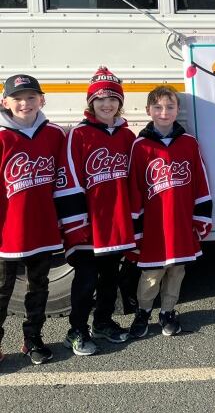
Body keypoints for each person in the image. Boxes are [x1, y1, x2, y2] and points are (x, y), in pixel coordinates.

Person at [55, 67, 137, 356]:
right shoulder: (78, 134)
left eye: (113, 99)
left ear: (120, 103)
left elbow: (135, 182)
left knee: (110, 277)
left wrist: (135, 221)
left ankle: (102, 321)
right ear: (91, 102)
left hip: (116, 223)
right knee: (86, 279)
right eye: (100, 99)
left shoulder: (128, 137)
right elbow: (68, 178)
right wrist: (75, 223)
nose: (107, 104)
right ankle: (76, 329)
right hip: (89, 224)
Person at [127, 86, 212, 338]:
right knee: (152, 273)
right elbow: (133, 188)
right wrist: (136, 227)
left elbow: (201, 180)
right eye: (158, 107)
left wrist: (202, 217)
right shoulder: (140, 146)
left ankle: (167, 311)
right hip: (154, 224)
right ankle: (143, 312)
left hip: (181, 222)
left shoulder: (188, 143)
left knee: (176, 270)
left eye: (170, 107)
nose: (164, 112)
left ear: (178, 110)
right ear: (148, 111)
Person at [0, 74, 65, 364]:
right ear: (5, 102)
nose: (25, 103)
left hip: (43, 229)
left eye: (31, 97)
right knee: (2, 291)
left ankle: (33, 338)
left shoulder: (54, 135)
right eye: (18, 98)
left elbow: (66, 178)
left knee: (39, 287)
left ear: (42, 99)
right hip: (6, 232)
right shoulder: (2, 136)